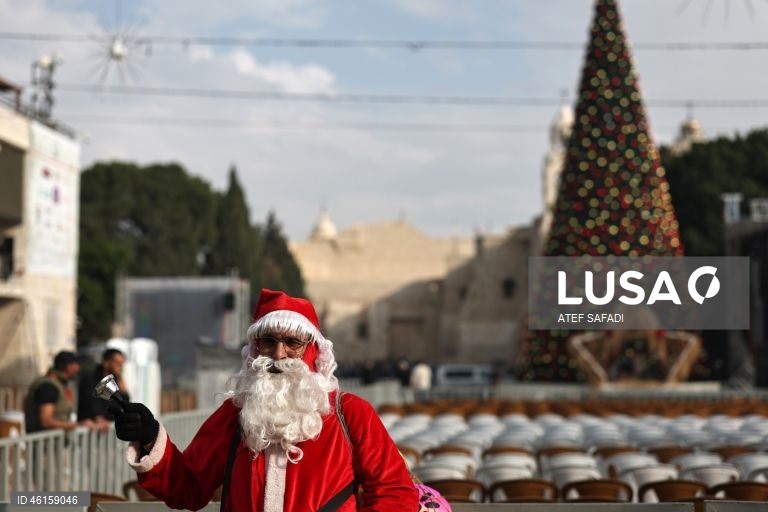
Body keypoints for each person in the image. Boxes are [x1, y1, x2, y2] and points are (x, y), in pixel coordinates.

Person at [111, 289, 419, 511]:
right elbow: (188, 489)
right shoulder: (234, 415)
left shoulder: (350, 413)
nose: (279, 353)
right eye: (268, 342)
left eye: (292, 342)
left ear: (311, 348)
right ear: (256, 348)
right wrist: (151, 438)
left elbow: (395, 493)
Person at [24, 351, 95, 433]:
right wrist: (78, 425)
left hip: (54, 443)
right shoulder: (48, 386)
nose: (78, 368)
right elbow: (46, 421)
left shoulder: (58, 384)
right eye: (76, 364)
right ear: (69, 367)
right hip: (45, 444)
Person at [77, 348, 128, 432]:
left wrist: (119, 378)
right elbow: (91, 400)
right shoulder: (91, 378)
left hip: (109, 431)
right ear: (106, 362)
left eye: (122, 364)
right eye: (118, 363)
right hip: (92, 430)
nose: (120, 367)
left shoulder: (115, 380)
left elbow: (125, 400)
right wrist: (99, 418)